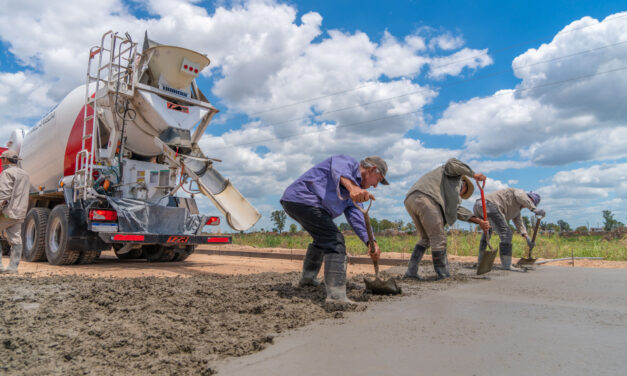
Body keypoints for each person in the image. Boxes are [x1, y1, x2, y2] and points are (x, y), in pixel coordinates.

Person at [281, 155, 389, 305]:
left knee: (323, 238)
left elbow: (358, 216)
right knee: (335, 240)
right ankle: (336, 297)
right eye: (378, 180)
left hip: (302, 203)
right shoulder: (347, 161)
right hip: (302, 198)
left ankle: (308, 279)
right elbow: (340, 172)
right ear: (372, 169)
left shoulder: (355, 191)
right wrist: (353, 189)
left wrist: (371, 242)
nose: (376, 186)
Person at [404, 158, 489, 280]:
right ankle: (443, 275)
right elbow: (452, 163)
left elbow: (457, 211)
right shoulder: (453, 175)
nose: (461, 195)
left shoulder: (446, 191)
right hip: (426, 197)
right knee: (438, 238)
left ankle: (411, 272)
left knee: (426, 239)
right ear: (463, 183)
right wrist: (473, 174)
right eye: (463, 192)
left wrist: (479, 221)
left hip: (411, 199)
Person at [473, 188, 545, 270]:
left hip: (479, 205)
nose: (527, 205)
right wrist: (534, 209)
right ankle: (506, 265)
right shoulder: (521, 193)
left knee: (487, 231)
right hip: (489, 205)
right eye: (531, 202)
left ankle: (480, 261)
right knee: (506, 233)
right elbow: (520, 195)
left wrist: (527, 237)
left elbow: (519, 222)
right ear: (530, 199)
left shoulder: (517, 209)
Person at [0, 150, 30, 274]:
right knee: (16, 240)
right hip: (19, 213)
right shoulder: (25, 174)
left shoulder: (7, 173)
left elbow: (4, 194)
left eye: (2, 159)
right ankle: (13, 268)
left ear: (6, 160)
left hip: (7, 213)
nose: (1, 161)